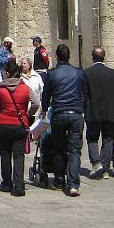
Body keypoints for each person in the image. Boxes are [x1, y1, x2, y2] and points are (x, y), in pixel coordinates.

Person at [41, 43, 87, 197]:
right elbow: (84, 93)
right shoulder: (79, 73)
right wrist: (83, 109)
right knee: (74, 149)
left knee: (58, 149)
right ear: (69, 57)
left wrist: (43, 109)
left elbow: (46, 94)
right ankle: (73, 184)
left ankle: (59, 180)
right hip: (76, 114)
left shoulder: (52, 74)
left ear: (56, 57)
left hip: (59, 113)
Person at [83, 46, 114, 179]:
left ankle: (96, 163)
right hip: (110, 112)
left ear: (92, 58)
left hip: (93, 111)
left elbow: (82, 92)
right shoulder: (113, 73)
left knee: (92, 138)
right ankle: (105, 169)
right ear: (104, 57)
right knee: (108, 139)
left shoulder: (87, 73)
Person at [0, 60, 37, 195]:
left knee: (5, 155)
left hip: (3, 125)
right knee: (18, 156)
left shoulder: (0, 88)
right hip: (20, 125)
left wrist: (0, 112)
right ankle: (19, 186)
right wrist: (27, 115)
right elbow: (36, 103)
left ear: (7, 73)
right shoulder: (25, 87)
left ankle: (6, 183)